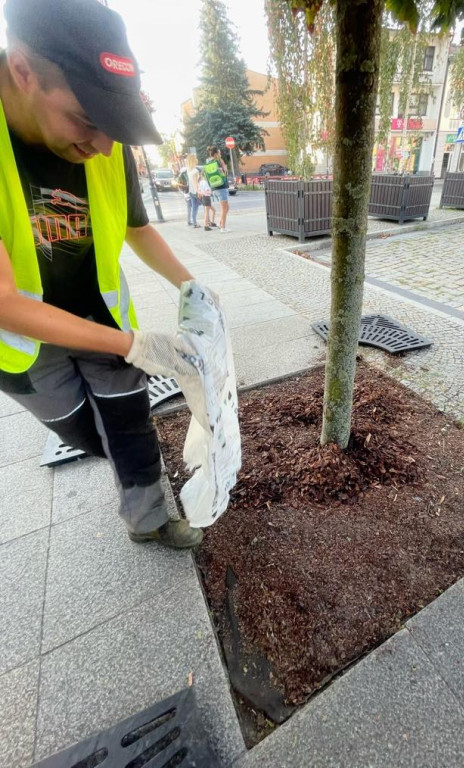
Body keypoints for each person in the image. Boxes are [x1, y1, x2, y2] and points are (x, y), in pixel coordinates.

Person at [0, 0, 205, 549]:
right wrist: (135, 344)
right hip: (24, 343)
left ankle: (149, 519)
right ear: (22, 72)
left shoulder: (106, 144)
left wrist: (195, 290)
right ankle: (124, 466)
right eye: (88, 122)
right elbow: (4, 300)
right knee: (84, 430)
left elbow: (139, 227)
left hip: (99, 311)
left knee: (130, 419)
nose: (103, 148)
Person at [203, 146, 230, 232]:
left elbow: (204, 175)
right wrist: (225, 169)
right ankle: (222, 227)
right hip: (221, 187)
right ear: (216, 153)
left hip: (214, 188)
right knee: (224, 208)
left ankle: (220, 223)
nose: (220, 154)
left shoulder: (208, 163)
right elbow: (224, 173)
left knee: (227, 207)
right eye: (219, 152)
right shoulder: (219, 161)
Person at [186, 153, 201, 228]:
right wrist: (198, 192)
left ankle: (195, 222)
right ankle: (208, 221)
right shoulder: (195, 171)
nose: (197, 159)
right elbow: (196, 183)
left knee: (194, 207)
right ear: (193, 160)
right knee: (208, 205)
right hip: (196, 191)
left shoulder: (189, 170)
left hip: (191, 191)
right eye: (195, 158)